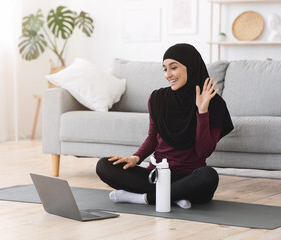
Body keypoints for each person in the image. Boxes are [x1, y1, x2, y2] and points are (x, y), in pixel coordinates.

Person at [96, 43, 234, 209]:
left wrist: (202, 111)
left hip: (189, 177)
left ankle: (144, 198)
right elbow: (153, 137)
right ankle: (174, 195)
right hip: (157, 175)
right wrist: (136, 158)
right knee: (104, 165)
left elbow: (203, 152)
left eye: (173, 68)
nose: (168, 75)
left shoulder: (214, 104)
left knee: (209, 177)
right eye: (164, 69)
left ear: (190, 67)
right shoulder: (157, 98)